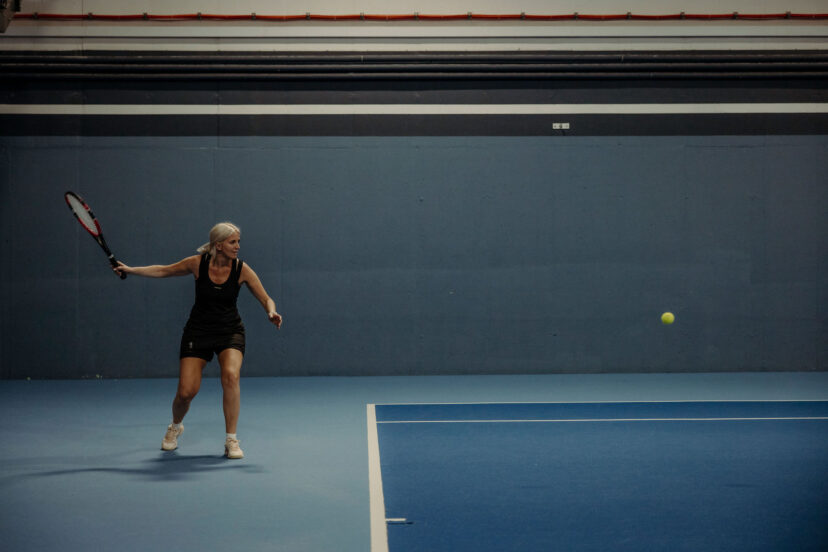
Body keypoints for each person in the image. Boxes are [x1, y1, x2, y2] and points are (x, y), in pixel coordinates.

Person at [114, 222, 282, 459]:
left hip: (230, 331)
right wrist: (130, 270)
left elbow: (266, 298)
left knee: (231, 376)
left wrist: (271, 312)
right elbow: (164, 270)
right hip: (198, 331)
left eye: (238, 241)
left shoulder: (242, 269)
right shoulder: (197, 264)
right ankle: (175, 426)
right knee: (186, 392)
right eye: (233, 242)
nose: (238, 246)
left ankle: (231, 440)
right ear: (219, 245)